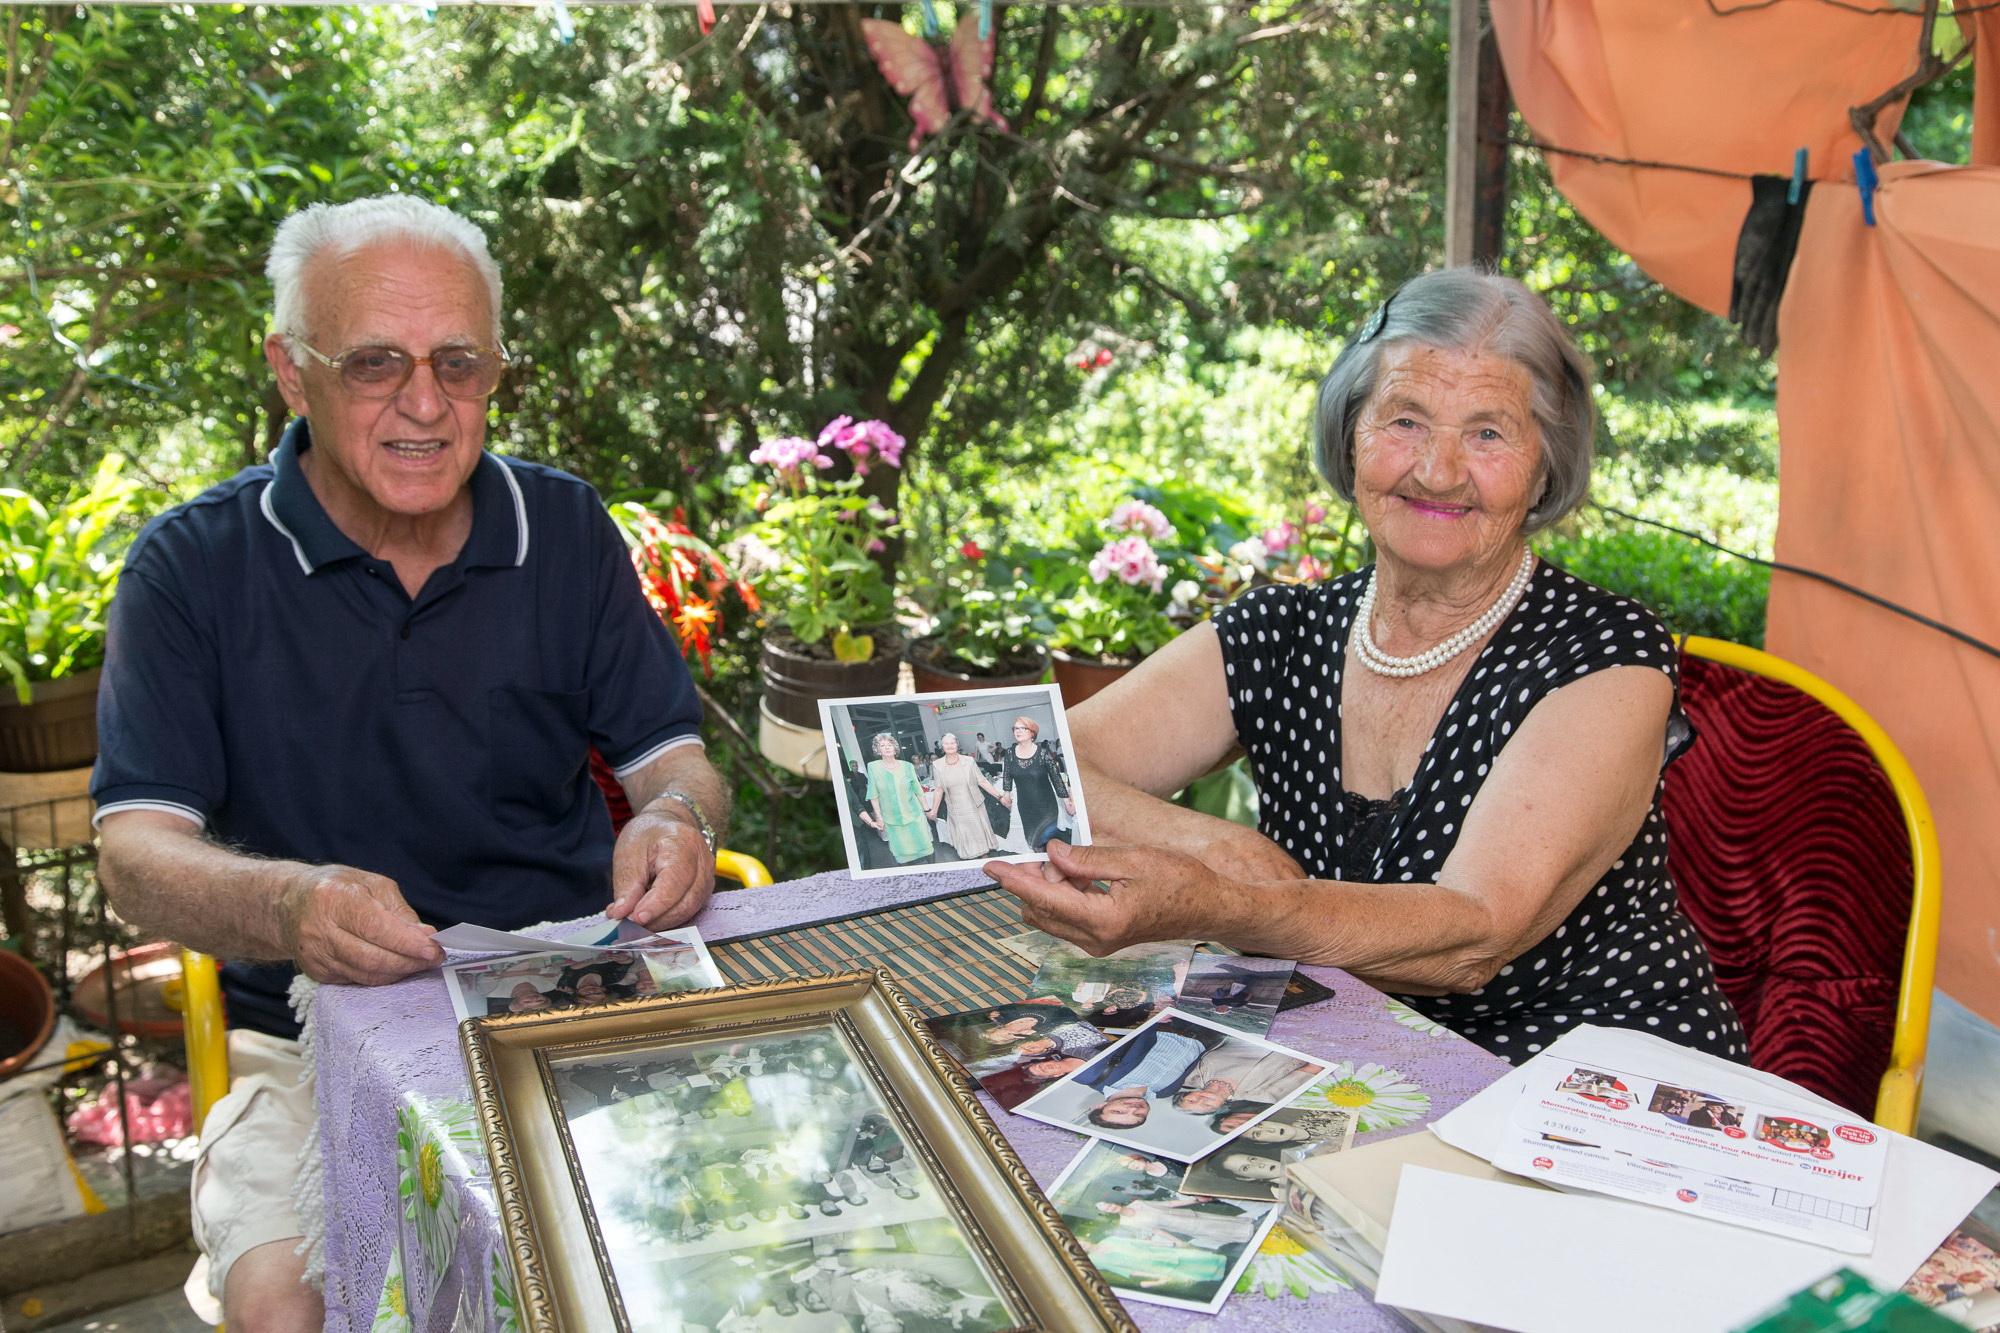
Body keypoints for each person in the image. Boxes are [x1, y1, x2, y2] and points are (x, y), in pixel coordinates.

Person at [88, 195, 730, 1331]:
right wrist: (289, 903)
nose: (425, 405)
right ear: (293, 372)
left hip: (563, 994)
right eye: (375, 362)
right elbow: (135, 857)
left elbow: (672, 755)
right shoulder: (191, 568)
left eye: (460, 363)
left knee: (720, 1245)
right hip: (305, 1034)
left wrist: (676, 814)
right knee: (290, 1309)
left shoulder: (564, 527)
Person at [986, 268, 1747, 1067]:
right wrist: (1215, 847)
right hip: (1340, 1062)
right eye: (1406, 420)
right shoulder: (1281, 630)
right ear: (1351, 438)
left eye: (1488, 433)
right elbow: (1041, 761)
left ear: (1545, 468)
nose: (1438, 471)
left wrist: (1235, 907)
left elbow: (1472, 934)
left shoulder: (1605, 652)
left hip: (1583, 1079)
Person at [998, 716, 1076, 852]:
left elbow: (1057, 780)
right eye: (1016, 728)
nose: (1018, 731)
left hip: (1046, 807)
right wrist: (1006, 795)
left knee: (1049, 842)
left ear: (1032, 733)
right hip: (1025, 807)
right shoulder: (1010, 753)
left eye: (1023, 728)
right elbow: (1007, 776)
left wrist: (1067, 802)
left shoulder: (1043, 754)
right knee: (1034, 841)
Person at [859, 732, 936, 865]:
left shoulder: (907, 766)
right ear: (877, 750)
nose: (887, 747)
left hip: (914, 815)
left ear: (895, 748)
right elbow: (873, 794)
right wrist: (879, 817)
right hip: (892, 819)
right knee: (902, 853)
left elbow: (918, 790)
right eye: (882, 745)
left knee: (926, 847)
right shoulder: (873, 767)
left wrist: (927, 810)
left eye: (890, 745)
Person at [930, 732, 1008, 860]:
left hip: (974, 804)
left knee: (979, 835)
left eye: (952, 742)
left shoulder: (969, 761)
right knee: (965, 837)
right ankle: (971, 863)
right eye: (946, 743)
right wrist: (933, 810)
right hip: (955, 807)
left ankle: (985, 859)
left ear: (957, 744)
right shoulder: (937, 765)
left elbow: (982, 781)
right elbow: (938, 789)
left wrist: (999, 797)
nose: (950, 745)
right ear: (942, 747)